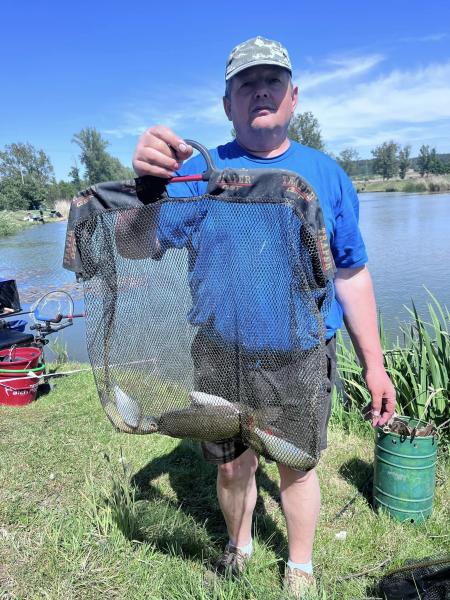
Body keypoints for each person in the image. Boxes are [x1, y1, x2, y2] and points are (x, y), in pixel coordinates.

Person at [131, 36, 396, 598]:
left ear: (293, 97)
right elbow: (137, 241)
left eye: (271, 81)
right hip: (219, 354)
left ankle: (299, 564)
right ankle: (242, 543)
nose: (260, 92)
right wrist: (148, 183)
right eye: (245, 84)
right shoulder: (199, 174)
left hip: (299, 357)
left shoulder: (327, 175)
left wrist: (375, 364)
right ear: (227, 104)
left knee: (296, 467)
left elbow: (352, 273)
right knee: (232, 468)